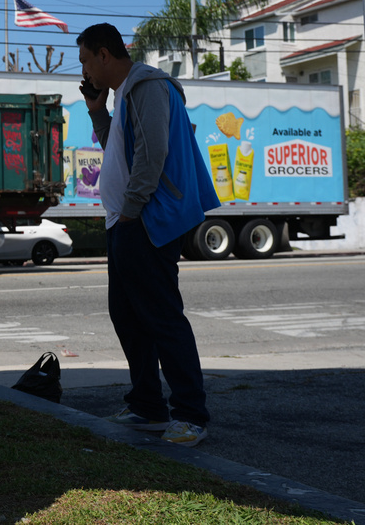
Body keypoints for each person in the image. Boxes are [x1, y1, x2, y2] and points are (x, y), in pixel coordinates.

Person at [76, 23, 220, 447]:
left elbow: (153, 155)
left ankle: (191, 415)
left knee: (161, 318)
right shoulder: (123, 95)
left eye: (85, 58)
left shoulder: (147, 87)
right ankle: (147, 406)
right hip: (124, 220)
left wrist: (132, 213)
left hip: (144, 222)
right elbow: (117, 152)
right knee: (128, 315)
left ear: (104, 55)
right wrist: (97, 109)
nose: (84, 68)